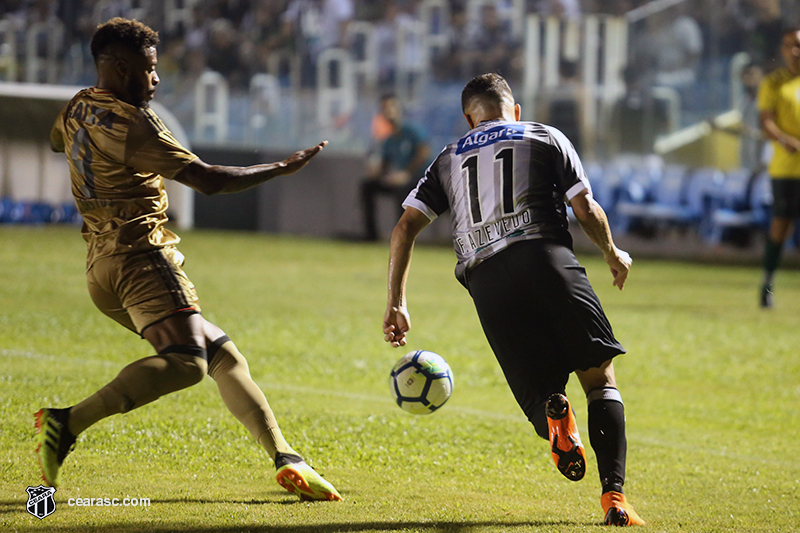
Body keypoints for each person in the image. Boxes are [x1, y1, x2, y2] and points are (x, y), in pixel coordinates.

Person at [37, 17, 342, 502]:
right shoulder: (135, 123)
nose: (156, 79)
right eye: (148, 69)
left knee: (224, 356)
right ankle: (66, 423)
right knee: (187, 364)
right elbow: (211, 180)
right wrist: (281, 168)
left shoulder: (77, 107)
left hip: (100, 269)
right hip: (142, 259)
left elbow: (57, 142)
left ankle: (287, 459)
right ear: (118, 67)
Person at [383, 73, 645, 526]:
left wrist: (397, 302)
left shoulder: (449, 157)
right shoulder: (545, 136)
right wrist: (612, 252)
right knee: (600, 379)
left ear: (470, 118)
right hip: (547, 261)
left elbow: (405, 225)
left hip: (487, 283)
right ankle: (615, 499)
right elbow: (584, 208)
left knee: (543, 397)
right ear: (515, 109)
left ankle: (556, 420)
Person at [758, 27, 800, 308]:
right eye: (790, 46)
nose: (795, 51)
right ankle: (768, 284)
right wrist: (786, 140)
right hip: (786, 169)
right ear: (783, 51)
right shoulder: (774, 82)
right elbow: (767, 122)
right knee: (781, 226)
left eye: (798, 45)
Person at [360, 94, 430, 241]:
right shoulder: (389, 138)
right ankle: (370, 236)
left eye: (391, 107)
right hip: (399, 178)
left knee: (402, 190)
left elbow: (424, 153)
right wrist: (377, 173)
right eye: (384, 108)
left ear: (398, 109)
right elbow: (385, 163)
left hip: (419, 180)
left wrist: (406, 173)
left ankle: (403, 236)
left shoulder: (412, 130)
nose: (388, 111)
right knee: (367, 186)